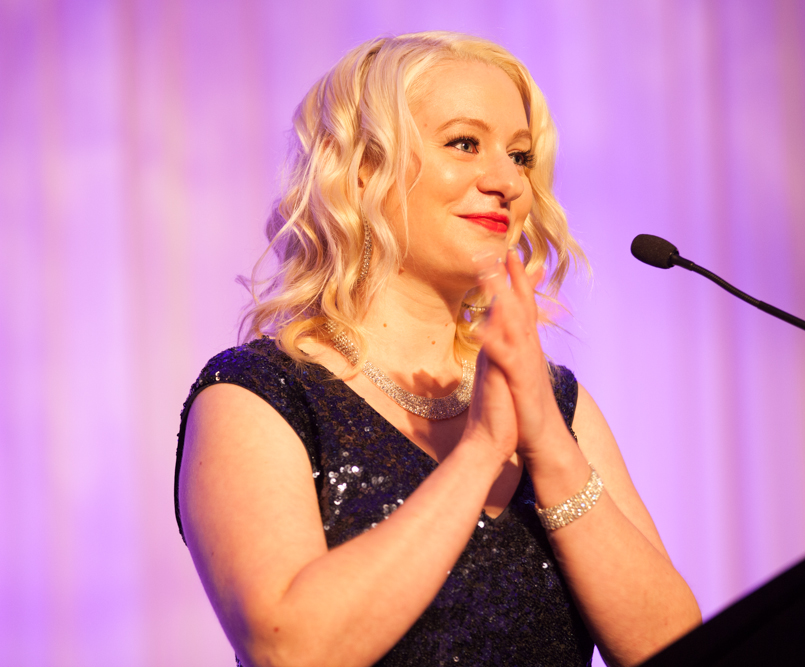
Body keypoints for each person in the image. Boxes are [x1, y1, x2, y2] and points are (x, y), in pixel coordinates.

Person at [174, 31, 701, 667]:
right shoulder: (261, 395)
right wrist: (481, 451)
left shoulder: (559, 404)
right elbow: (291, 650)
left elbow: (673, 648)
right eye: (464, 144)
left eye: (521, 155)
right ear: (365, 168)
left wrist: (549, 447)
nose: (507, 181)